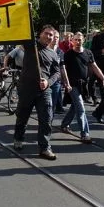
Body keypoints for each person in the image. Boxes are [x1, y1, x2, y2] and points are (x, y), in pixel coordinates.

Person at [13, 25, 61, 160]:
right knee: (22, 117)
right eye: (46, 34)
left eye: (51, 35)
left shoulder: (53, 53)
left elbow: (56, 72)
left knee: (46, 119)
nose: (48, 37)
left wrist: (48, 82)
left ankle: (45, 148)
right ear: (40, 34)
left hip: (44, 91)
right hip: (27, 88)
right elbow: (22, 32)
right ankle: (18, 138)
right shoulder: (30, 45)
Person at [61, 32, 104, 143]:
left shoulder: (88, 53)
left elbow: (94, 67)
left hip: (83, 85)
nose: (78, 42)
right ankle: (85, 134)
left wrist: (103, 78)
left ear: (83, 40)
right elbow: (63, 70)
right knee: (81, 108)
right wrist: (66, 83)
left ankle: (64, 124)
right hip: (72, 85)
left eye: (80, 40)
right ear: (72, 41)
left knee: (75, 106)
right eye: (76, 40)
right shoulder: (68, 54)